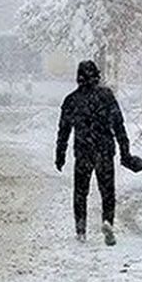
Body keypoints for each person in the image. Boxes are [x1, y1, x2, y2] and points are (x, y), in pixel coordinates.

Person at [56, 59, 131, 246]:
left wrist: (60, 154)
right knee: (107, 191)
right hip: (104, 151)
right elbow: (119, 125)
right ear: (97, 76)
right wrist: (125, 151)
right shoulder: (106, 97)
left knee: (81, 193)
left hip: (83, 152)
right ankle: (107, 222)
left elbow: (63, 131)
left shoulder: (71, 100)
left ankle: (80, 229)